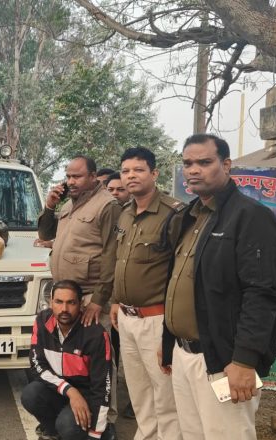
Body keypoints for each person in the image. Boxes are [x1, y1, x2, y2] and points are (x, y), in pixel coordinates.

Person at [161, 134, 276, 440]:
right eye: (188, 163)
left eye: (204, 162)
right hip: (184, 354)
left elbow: (261, 294)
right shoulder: (188, 217)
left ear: (226, 165)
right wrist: (168, 345)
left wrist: (243, 361)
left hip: (222, 360)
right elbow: (178, 283)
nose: (193, 170)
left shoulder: (251, 216)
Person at [37, 155, 122, 431]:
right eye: (68, 176)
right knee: (67, 357)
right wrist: (50, 206)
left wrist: (99, 300)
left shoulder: (106, 205)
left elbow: (112, 255)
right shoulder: (69, 205)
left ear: (94, 177)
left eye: (77, 177)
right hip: (65, 296)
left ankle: (105, 423)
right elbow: (45, 232)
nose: (70, 182)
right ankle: (72, 414)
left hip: (88, 297)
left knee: (100, 363)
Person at [107, 147, 184, 440]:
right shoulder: (125, 214)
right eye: (125, 171)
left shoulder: (174, 214)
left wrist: (170, 327)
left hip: (157, 319)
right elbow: (121, 262)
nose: (130, 176)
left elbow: (181, 270)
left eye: (138, 170)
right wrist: (115, 301)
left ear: (154, 173)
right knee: (139, 393)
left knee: (165, 395)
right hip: (126, 318)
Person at [23, 280, 112, 440]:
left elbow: (103, 389)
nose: (64, 309)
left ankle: (103, 432)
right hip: (61, 390)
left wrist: (95, 433)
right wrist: (70, 391)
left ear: (81, 304)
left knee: (68, 426)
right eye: (59, 302)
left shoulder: (96, 334)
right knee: (31, 394)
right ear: (50, 302)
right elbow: (37, 366)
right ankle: (52, 432)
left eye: (71, 303)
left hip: (87, 397)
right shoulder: (42, 321)